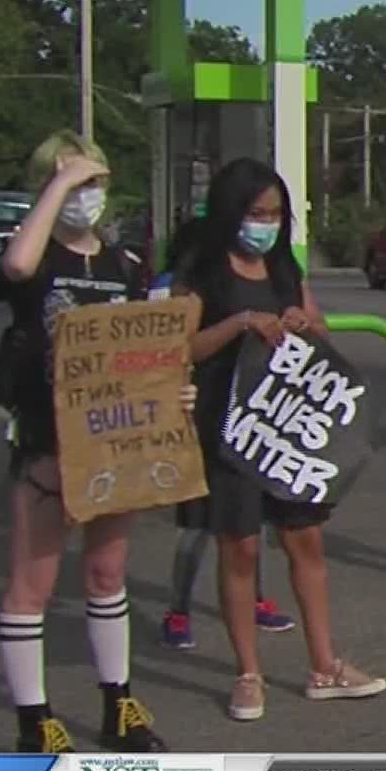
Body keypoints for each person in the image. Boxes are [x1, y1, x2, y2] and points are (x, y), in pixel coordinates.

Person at [0, 130, 190, 753]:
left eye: (95, 183)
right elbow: (17, 265)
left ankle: (119, 703)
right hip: (47, 442)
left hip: (114, 444)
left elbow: (148, 350)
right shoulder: (38, 259)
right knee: (36, 580)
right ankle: (35, 721)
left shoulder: (123, 266)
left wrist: (173, 395)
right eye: (75, 184)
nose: (87, 197)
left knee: (107, 571)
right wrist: (57, 183)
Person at [176, 158, 386, 721]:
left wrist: (300, 320)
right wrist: (242, 322)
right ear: (232, 213)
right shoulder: (204, 270)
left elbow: (318, 329)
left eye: (274, 214)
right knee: (239, 547)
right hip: (230, 432)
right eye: (256, 213)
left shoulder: (284, 267)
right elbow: (181, 348)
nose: (265, 224)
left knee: (306, 542)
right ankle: (248, 673)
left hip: (289, 432)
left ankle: (325, 665)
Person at [155, 214, 296, 648]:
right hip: (202, 413)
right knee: (198, 523)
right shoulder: (180, 285)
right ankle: (178, 610)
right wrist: (238, 322)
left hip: (256, 414)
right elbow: (177, 348)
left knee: (249, 521)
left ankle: (253, 596)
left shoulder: (276, 274)